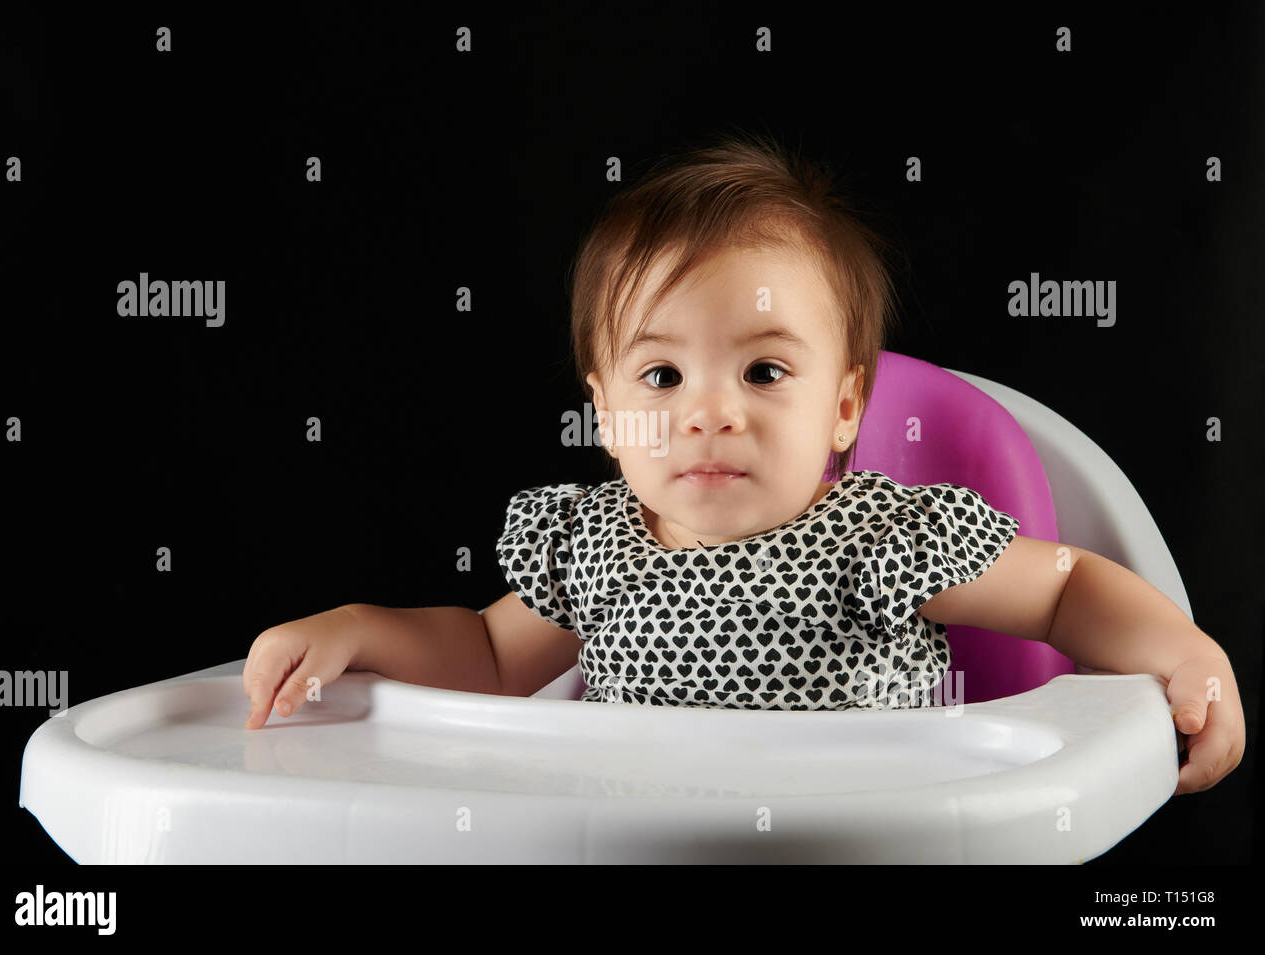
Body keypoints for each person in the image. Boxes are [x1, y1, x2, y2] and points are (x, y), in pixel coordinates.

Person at [242, 131, 1243, 797]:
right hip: (644, 840)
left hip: (866, 842)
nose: (709, 412)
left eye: (763, 370)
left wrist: (1184, 655)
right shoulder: (590, 545)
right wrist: (358, 628)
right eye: (662, 375)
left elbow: (1064, 592)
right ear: (603, 409)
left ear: (843, 406)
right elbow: (491, 660)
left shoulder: (881, 538)